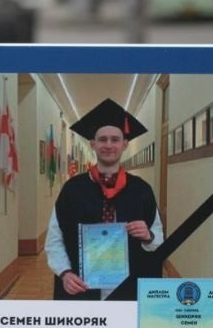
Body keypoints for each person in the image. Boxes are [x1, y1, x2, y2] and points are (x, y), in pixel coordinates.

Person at [44, 99, 163, 300]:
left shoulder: (141, 190)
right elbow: (54, 239)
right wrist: (65, 273)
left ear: (125, 144)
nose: (109, 145)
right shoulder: (72, 190)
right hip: (81, 287)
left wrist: (148, 235)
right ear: (93, 144)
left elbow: (158, 239)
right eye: (102, 139)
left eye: (115, 139)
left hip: (129, 287)